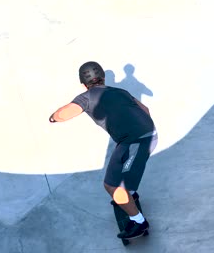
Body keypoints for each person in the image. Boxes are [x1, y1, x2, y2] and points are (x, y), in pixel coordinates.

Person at [49, 61, 158, 239]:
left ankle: (138, 222)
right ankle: (130, 194)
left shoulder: (86, 97)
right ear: (103, 78)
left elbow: (62, 115)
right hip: (143, 135)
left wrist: (53, 118)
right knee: (121, 169)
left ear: (83, 84)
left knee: (112, 185)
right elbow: (145, 109)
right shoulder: (120, 91)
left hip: (135, 142)